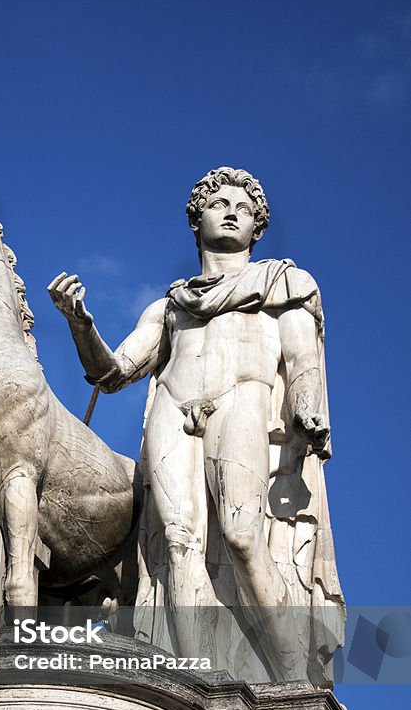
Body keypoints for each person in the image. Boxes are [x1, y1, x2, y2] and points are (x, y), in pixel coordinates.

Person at [48, 167, 344, 682]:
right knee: (178, 543)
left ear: (256, 227)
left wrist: (308, 406)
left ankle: (295, 678)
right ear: (197, 218)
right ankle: (195, 681)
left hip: (244, 399)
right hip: (174, 406)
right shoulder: (169, 307)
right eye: (220, 203)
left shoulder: (284, 283)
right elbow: (112, 373)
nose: (231, 212)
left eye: (244, 208)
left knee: (242, 534)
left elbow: (302, 360)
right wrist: (81, 323)